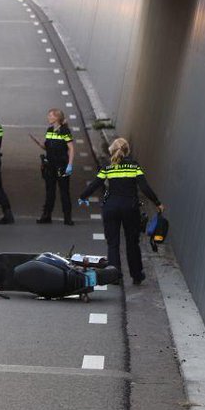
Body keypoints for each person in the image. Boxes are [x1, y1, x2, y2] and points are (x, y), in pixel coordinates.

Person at [78, 137, 164, 286]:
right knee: (132, 242)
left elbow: (95, 184)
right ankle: (136, 275)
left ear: (112, 150)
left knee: (113, 243)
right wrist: (157, 203)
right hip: (130, 208)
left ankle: (114, 276)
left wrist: (83, 196)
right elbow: (144, 187)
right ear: (127, 150)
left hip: (111, 207)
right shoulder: (134, 167)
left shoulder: (108, 167)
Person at [30, 108, 74, 225]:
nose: (48, 117)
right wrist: (40, 144)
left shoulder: (65, 131)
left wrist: (70, 164)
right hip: (50, 166)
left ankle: (67, 217)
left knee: (64, 191)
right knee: (50, 191)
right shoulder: (49, 130)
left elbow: (71, 148)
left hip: (62, 166)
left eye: (50, 115)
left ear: (56, 118)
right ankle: (46, 215)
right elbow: (47, 147)